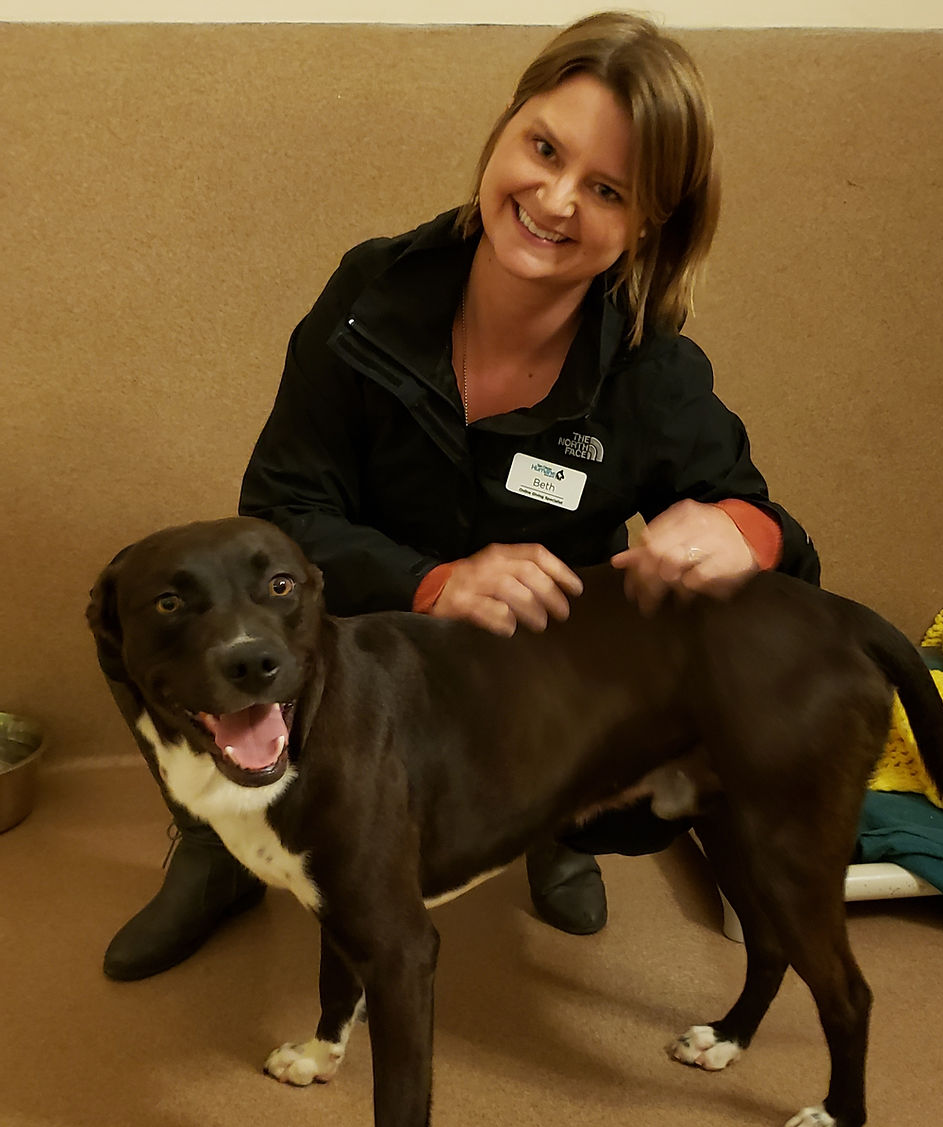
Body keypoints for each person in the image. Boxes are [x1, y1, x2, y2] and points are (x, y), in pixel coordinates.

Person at [103, 11, 819, 981]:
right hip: (357, 658)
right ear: (504, 126)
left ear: (646, 222)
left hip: (527, 693)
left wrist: (741, 531)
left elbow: (776, 543)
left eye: (605, 189)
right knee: (133, 598)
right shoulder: (368, 293)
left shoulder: (652, 371)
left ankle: (549, 824)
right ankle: (222, 831)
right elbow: (278, 513)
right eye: (542, 148)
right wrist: (433, 582)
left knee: (670, 725)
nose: (555, 199)